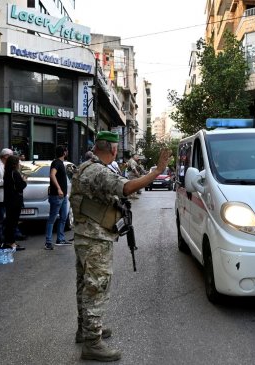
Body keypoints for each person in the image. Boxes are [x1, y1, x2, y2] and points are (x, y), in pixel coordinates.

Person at [71, 131, 171, 362]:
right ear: (113, 149)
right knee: (97, 287)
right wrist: (156, 172)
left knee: (84, 285)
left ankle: (85, 330)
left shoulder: (85, 167)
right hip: (95, 239)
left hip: (85, 235)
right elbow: (126, 188)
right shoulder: (98, 171)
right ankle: (92, 343)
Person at [44, 146, 71, 250]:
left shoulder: (61, 163)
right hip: (56, 195)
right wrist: (59, 188)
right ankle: (48, 242)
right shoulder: (56, 162)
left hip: (63, 196)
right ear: (64, 152)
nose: (67, 152)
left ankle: (60, 239)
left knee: (64, 217)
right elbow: (52, 175)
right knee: (52, 218)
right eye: (66, 150)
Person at [2, 155, 26, 251]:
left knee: (9, 222)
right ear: (15, 164)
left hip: (8, 200)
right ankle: (12, 243)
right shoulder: (15, 173)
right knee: (13, 223)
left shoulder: (7, 172)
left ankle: (8, 242)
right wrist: (24, 180)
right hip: (15, 200)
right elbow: (20, 186)